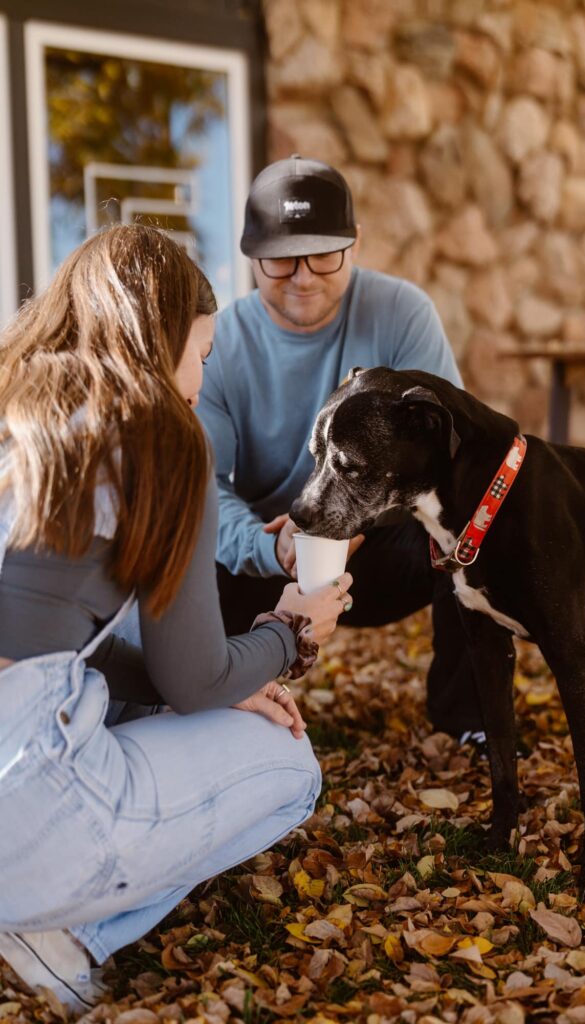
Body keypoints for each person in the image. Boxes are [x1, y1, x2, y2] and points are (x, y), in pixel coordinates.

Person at [0, 225, 352, 1011]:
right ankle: (60, 936)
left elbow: (41, 638)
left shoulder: (17, 405)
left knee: (124, 662)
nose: (201, 375)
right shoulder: (160, 432)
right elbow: (193, 679)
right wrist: (290, 632)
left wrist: (223, 678)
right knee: (293, 768)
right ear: (161, 342)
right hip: (27, 793)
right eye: (202, 350)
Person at [197, 155, 485, 743]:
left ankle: (467, 718)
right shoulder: (219, 342)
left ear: (353, 246)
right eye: (280, 258)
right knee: (191, 545)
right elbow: (203, 484)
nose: (303, 276)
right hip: (267, 548)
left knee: (471, 529)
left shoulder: (404, 313)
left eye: (323, 254)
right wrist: (266, 545)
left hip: (383, 538)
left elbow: (451, 453)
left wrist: (368, 515)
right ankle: (221, 699)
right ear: (253, 258)